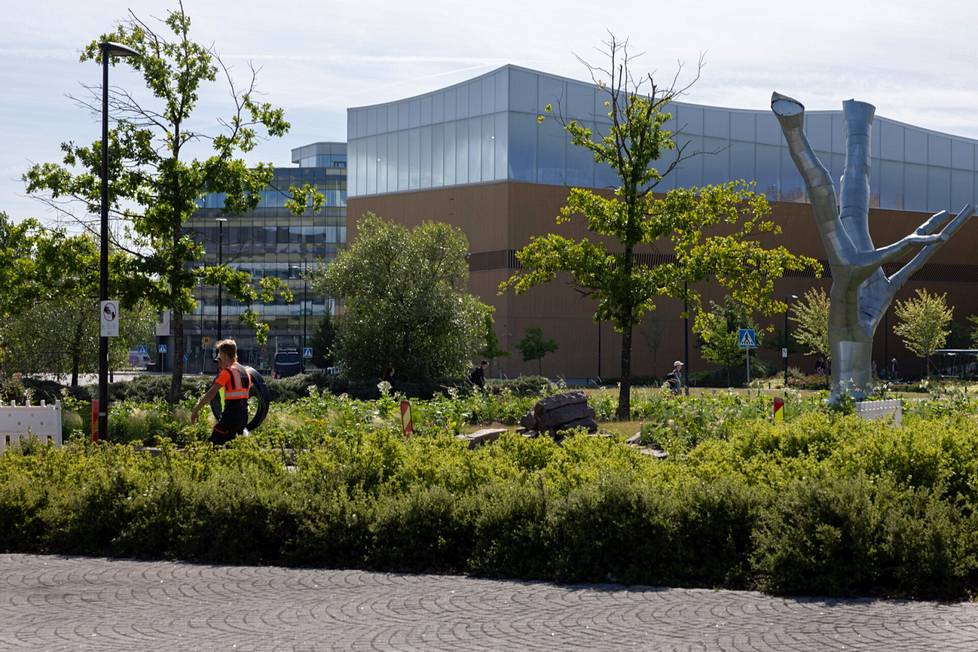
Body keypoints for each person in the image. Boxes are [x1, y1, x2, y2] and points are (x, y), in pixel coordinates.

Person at [191, 339, 253, 445]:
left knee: (214, 443)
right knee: (232, 446)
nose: (219, 358)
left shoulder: (228, 372)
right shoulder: (245, 372)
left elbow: (211, 393)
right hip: (243, 415)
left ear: (224, 354)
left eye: (219, 355)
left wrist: (196, 410)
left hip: (230, 415)